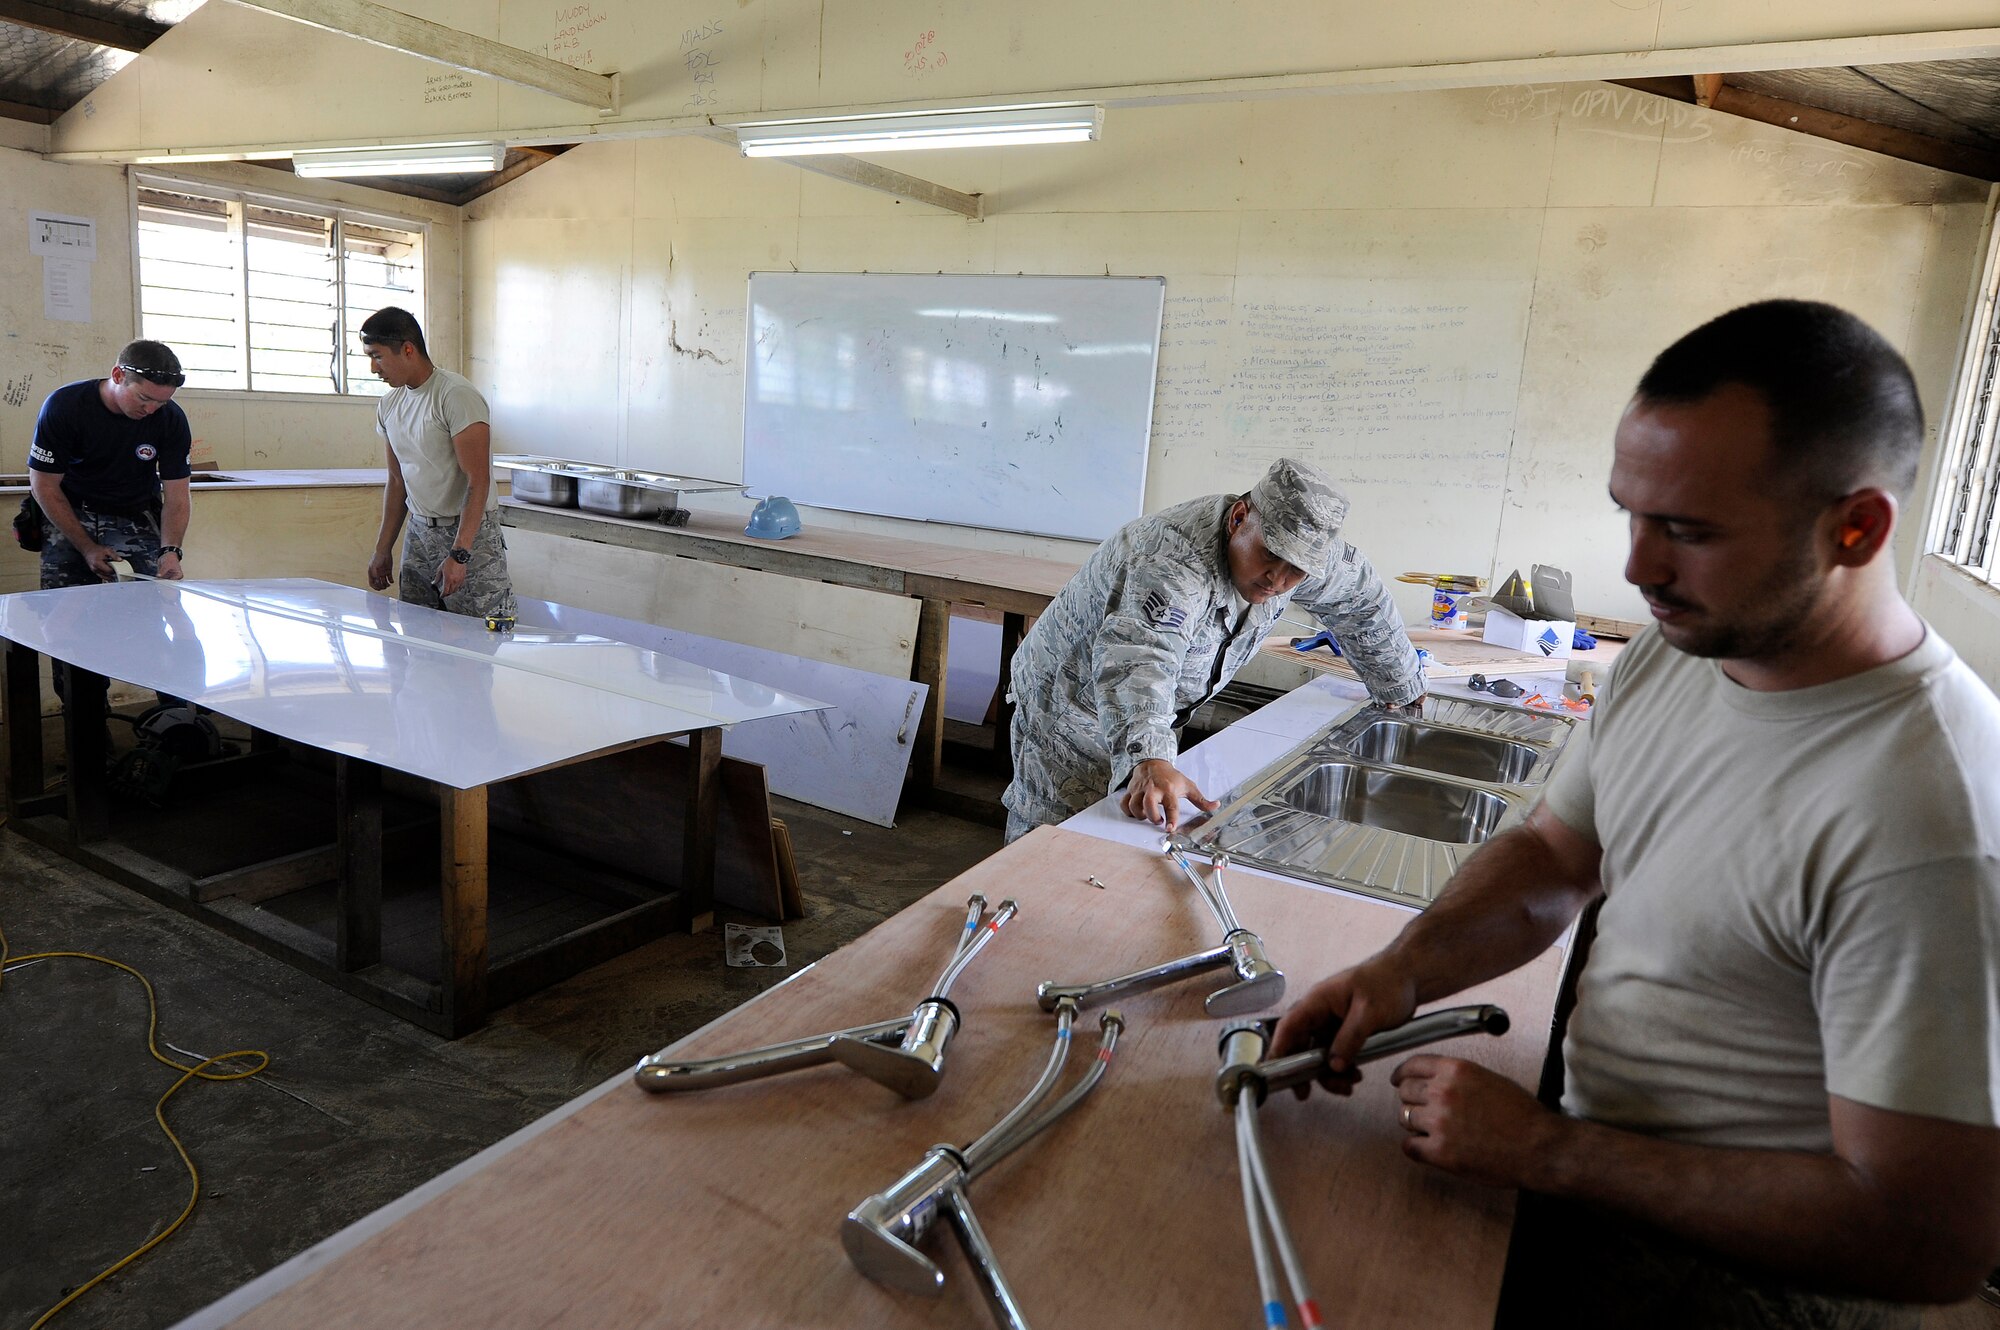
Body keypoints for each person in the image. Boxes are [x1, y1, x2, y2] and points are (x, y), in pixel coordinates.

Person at [1272, 300, 2000, 1328]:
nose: (1637, 568)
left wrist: (1548, 1152)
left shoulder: (1931, 813)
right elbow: (1551, 854)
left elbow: (1925, 1236)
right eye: (1631, 513)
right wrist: (1401, 968)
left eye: (1688, 532)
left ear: (1856, 526)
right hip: (1597, 1165)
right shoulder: (1676, 651)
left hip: (1755, 1283)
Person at [1002, 456, 1425, 843]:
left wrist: (1400, 685)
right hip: (1070, 707)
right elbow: (1142, 659)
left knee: (1120, 835)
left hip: (1154, 714)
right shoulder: (1172, 560)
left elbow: (1362, 601)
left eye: (1295, 570)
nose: (1277, 580)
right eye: (1271, 555)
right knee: (1051, 840)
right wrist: (1150, 755)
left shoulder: (1302, 556)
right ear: (1239, 518)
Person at [359, 307, 515, 622]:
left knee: (478, 643)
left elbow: (479, 481)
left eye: (377, 356)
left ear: (407, 349)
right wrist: (382, 548)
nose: (373, 369)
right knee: (419, 639)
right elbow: (397, 480)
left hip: (469, 535)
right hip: (419, 533)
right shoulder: (390, 405)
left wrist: (460, 554)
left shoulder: (454, 395)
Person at [28, 340, 191, 588]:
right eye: (143, 398)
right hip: (71, 510)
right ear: (118, 375)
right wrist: (86, 547)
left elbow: (177, 496)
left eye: (161, 402)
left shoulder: (171, 420)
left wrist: (170, 551)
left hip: (134, 512)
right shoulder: (65, 406)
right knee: (62, 606)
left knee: (143, 603)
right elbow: (44, 485)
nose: (151, 410)